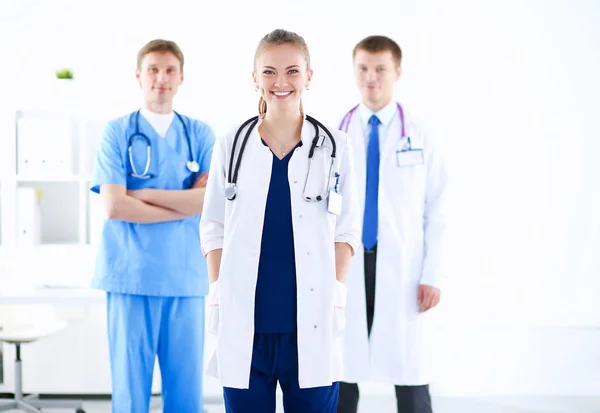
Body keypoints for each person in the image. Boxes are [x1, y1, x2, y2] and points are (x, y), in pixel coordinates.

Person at [199, 29, 361, 413]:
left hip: (313, 323)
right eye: (269, 72)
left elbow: (347, 228)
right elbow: (213, 226)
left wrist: (337, 290)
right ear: (254, 77)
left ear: (309, 75)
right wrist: (219, 289)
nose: (281, 82)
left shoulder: (336, 146)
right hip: (245, 325)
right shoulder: (232, 144)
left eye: (292, 71)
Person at [90, 39, 215, 413]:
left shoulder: (200, 135)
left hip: (185, 278)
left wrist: (141, 195)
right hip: (131, 277)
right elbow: (113, 206)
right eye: (153, 70)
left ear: (181, 78)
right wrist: (183, 204)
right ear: (138, 76)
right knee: (130, 392)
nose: (161, 78)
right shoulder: (116, 132)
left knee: (186, 393)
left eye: (169, 70)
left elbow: (210, 203)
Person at [336, 35, 448, 413]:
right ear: (354, 72)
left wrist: (432, 273)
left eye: (380, 69)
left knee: (410, 372)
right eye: (363, 68)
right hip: (347, 262)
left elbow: (439, 209)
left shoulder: (420, 133)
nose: (372, 78)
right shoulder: (337, 135)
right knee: (341, 370)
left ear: (397, 72)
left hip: (403, 265)